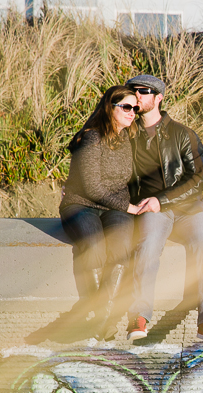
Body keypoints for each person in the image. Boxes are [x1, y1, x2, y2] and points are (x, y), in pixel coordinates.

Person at [124, 74, 203, 345]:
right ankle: (139, 316)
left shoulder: (182, 134)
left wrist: (162, 200)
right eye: (133, 91)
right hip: (152, 210)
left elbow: (198, 178)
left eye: (143, 91)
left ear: (158, 98)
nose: (137, 96)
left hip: (187, 208)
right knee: (147, 244)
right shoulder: (126, 135)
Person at [59, 85, 144, 340]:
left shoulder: (129, 137)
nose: (132, 113)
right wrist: (128, 207)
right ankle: (98, 315)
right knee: (94, 247)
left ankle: (102, 317)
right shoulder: (91, 137)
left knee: (119, 249)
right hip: (81, 204)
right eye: (126, 107)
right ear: (110, 107)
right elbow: (92, 187)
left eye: (135, 108)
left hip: (114, 208)